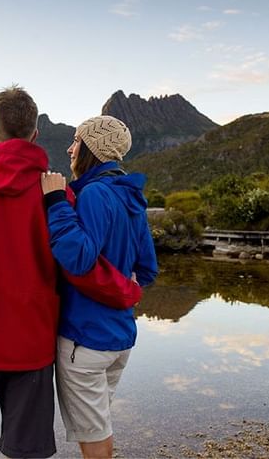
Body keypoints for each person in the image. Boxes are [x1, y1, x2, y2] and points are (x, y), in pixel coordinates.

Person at [0, 87, 140, 459]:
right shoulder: (56, 195)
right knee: (27, 453)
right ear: (34, 134)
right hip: (32, 349)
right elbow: (79, 270)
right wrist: (128, 290)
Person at [41, 115, 159, 459]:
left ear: (92, 147)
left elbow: (78, 258)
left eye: (76, 140)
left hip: (86, 340)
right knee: (100, 425)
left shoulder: (93, 194)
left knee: (94, 436)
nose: (70, 148)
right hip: (119, 338)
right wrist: (127, 282)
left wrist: (56, 203)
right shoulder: (130, 196)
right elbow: (148, 269)